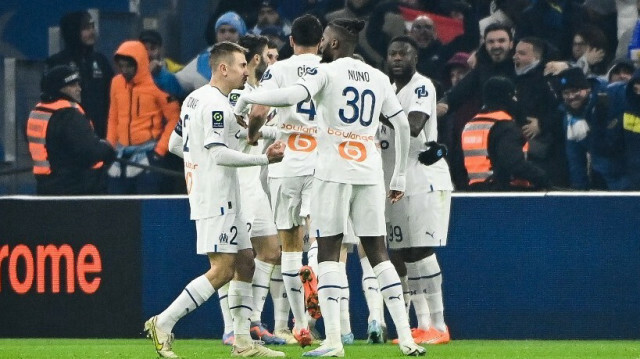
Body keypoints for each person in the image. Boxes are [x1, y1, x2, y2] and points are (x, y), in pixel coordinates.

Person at [234, 18, 426, 357]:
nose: (321, 45)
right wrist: (398, 176)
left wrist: (248, 98)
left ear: (334, 43)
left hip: (332, 170)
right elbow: (400, 124)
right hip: (368, 171)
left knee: (327, 252)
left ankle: (334, 341)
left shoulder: (328, 72)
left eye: (325, 39)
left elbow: (292, 95)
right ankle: (407, 338)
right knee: (379, 253)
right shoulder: (379, 77)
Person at [144, 41, 286, 358]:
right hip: (217, 196)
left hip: (216, 192)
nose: (245, 70)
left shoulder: (195, 100)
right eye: (240, 65)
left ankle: (243, 344)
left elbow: (176, 144)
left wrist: (197, 165)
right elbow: (219, 154)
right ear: (223, 68)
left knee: (247, 260)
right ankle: (163, 322)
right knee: (222, 269)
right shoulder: (216, 105)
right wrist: (264, 160)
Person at [245, 14, 324, 348]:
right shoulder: (329, 68)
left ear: (291, 41)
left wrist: (252, 135)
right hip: (323, 162)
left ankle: (300, 325)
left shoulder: (278, 71)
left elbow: (259, 112)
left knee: (289, 247)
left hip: (286, 163)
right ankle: (316, 283)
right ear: (321, 42)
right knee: (320, 237)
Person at [381, 36, 453, 345]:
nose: (397, 58)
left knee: (422, 249)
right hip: (396, 179)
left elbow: (412, 126)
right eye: (392, 53)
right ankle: (422, 324)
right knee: (404, 252)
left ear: (415, 58)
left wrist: (372, 111)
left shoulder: (422, 86)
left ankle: (439, 323)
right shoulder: (389, 89)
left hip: (423, 175)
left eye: (403, 53)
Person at [224, 34, 287, 346]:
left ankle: (253, 321)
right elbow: (239, 134)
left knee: (270, 252)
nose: (273, 62)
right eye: (269, 56)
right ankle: (237, 326)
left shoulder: (263, 92)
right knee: (235, 260)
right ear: (258, 59)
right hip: (241, 181)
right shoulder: (240, 96)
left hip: (258, 182)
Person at [106, 41, 181, 194]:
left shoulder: (158, 84)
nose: (125, 70)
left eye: (129, 66)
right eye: (121, 66)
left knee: (147, 205)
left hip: (148, 154)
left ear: (139, 63)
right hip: (120, 155)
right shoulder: (116, 83)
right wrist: (109, 148)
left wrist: (159, 150)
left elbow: (174, 118)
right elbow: (113, 118)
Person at [27, 65, 115, 195]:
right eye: (72, 85)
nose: (79, 89)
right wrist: (107, 149)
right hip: (74, 190)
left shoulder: (38, 111)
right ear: (60, 89)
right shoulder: (68, 115)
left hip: (46, 187)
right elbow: (89, 151)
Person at [462, 76, 551, 191]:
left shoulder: (470, 126)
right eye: (513, 95)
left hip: (475, 193)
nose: (515, 100)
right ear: (505, 97)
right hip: (503, 194)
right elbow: (514, 164)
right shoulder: (505, 127)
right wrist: (543, 178)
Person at [556, 67, 627, 190]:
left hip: (628, 171)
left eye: (575, 90)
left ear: (587, 89)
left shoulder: (611, 98)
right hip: (603, 175)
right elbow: (575, 159)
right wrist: (579, 190)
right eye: (566, 93)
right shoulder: (570, 120)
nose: (571, 96)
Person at [46, 11, 113, 139]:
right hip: (69, 134)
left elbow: (111, 97)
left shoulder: (100, 60)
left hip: (100, 134)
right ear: (73, 32)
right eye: (86, 28)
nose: (92, 32)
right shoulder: (57, 62)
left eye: (92, 26)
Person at [513, 37, 569, 187]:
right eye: (516, 52)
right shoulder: (516, 78)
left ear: (536, 57)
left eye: (522, 53)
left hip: (549, 152)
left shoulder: (548, 79)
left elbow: (564, 108)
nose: (516, 56)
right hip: (525, 150)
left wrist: (542, 124)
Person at [437, 23, 516, 120]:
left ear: (511, 44)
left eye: (501, 41)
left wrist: (540, 123)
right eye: (491, 42)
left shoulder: (521, 66)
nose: (496, 45)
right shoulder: (482, 68)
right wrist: (444, 103)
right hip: (490, 125)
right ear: (485, 45)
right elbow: (459, 91)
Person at [175, 11, 247, 94]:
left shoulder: (252, 61)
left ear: (241, 35)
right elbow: (176, 84)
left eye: (232, 31)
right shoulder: (202, 61)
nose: (227, 36)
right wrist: (160, 73)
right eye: (222, 31)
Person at [138, 30, 186, 99]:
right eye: (145, 49)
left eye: (153, 48)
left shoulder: (177, 71)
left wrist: (160, 74)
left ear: (160, 49)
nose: (148, 53)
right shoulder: (132, 71)